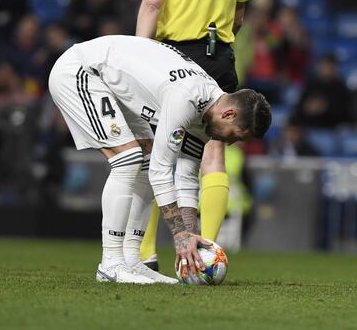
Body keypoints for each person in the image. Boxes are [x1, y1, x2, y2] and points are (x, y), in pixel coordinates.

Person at [48, 35, 271, 284]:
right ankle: (110, 263)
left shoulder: (205, 113)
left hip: (112, 84)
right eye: (235, 136)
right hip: (81, 70)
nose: (230, 143)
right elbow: (162, 171)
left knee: (143, 161)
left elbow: (186, 177)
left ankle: (132, 260)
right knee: (129, 160)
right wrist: (179, 237)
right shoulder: (186, 98)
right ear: (228, 114)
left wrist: (191, 235)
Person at [135, 0, 256, 270]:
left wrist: (141, 54)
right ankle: (207, 254)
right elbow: (238, 17)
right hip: (218, 54)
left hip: (171, 56)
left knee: (157, 149)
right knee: (213, 152)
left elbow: (153, 4)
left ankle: (145, 254)